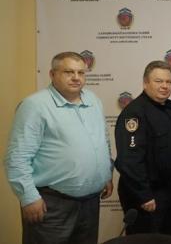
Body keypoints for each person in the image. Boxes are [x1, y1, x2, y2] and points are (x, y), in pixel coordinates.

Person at [5, 52, 113, 244]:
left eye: (81, 72)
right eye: (69, 72)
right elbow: (17, 157)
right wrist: (28, 197)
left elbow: (103, 141)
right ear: (52, 74)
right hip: (51, 205)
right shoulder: (35, 106)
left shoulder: (93, 100)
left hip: (90, 203)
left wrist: (106, 175)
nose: (76, 77)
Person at [115, 60, 171, 235]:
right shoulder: (134, 113)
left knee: (169, 237)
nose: (165, 86)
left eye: (168, 81)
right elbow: (130, 160)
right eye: (159, 81)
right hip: (146, 193)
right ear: (145, 83)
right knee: (147, 238)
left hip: (170, 190)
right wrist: (144, 195)